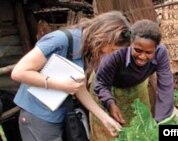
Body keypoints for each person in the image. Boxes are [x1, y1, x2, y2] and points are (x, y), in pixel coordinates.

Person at [11, 11, 131, 141]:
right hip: (38, 116)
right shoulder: (60, 40)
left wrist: (105, 118)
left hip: (59, 115)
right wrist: (61, 85)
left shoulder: (86, 48)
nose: (111, 55)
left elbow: (77, 87)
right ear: (104, 36)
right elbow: (19, 72)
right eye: (113, 50)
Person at [91, 19, 174, 141]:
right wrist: (110, 103)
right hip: (106, 89)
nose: (142, 56)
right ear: (130, 44)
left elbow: (166, 87)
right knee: (111, 134)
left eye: (149, 52)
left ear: (156, 49)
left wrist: (162, 121)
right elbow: (101, 83)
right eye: (138, 50)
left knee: (142, 129)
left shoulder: (161, 53)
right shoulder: (116, 53)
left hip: (137, 88)